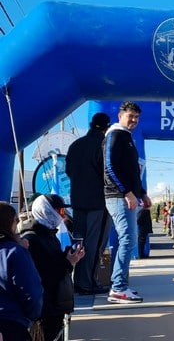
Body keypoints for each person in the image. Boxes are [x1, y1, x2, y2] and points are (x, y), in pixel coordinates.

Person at [103, 101, 151, 304]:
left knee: (128, 240)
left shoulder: (126, 137)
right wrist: (127, 193)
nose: (134, 120)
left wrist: (142, 193)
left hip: (127, 196)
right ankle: (118, 288)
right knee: (127, 239)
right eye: (130, 115)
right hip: (117, 197)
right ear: (120, 115)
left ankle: (119, 286)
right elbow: (110, 167)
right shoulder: (115, 134)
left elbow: (132, 172)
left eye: (137, 117)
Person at [22, 194, 85, 341]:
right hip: (45, 310)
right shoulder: (31, 239)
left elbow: (56, 267)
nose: (62, 216)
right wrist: (67, 262)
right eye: (60, 211)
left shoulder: (50, 235)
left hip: (56, 306)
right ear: (46, 210)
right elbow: (42, 275)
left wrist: (71, 259)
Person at [65, 111, 113, 295]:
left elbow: (69, 171)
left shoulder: (76, 145)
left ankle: (77, 281)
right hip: (98, 203)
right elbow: (107, 174)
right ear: (106, 127)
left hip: (78, 201)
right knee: (95, 243)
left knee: (79, 242)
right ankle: (88, 283)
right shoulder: (103, 145)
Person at [0, 201, 43, 341]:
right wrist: (32, 316)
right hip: (11, 324)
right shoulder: (15, 252)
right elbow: (31, 292)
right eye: (15, 221)